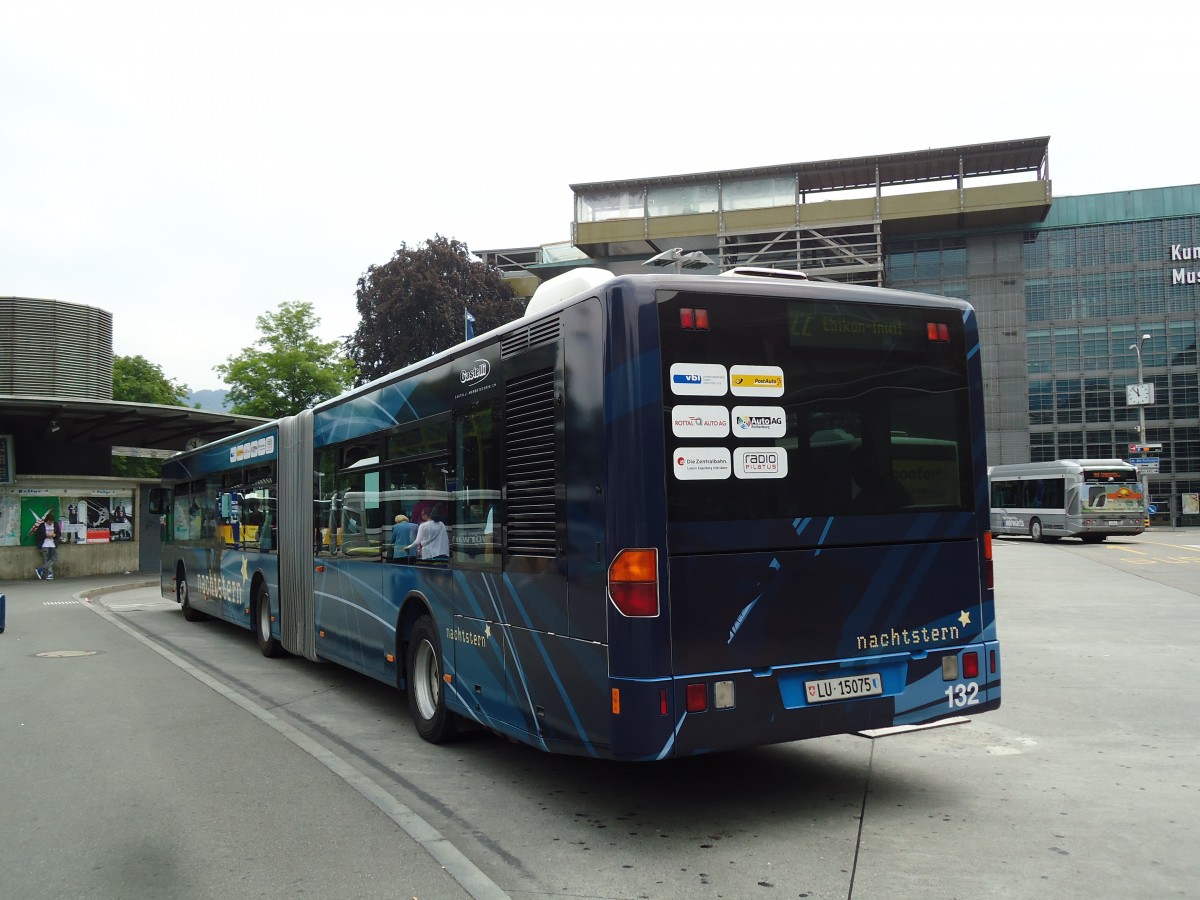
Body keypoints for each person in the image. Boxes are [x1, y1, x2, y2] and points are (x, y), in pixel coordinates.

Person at [34, 511, 63, 580]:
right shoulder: (42, 525)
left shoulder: (55, 525)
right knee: (46, 560)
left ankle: (41, 569)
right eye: (49, 521)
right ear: (47, 520)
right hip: (44, 544)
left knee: (54, 558)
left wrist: (54, 535)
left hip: (53, 544)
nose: (50, 523)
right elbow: (37, 536)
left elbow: (59, 534)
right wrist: (45, 535)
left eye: (52, 522)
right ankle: (47, 575)